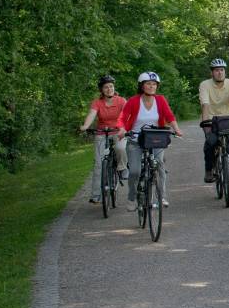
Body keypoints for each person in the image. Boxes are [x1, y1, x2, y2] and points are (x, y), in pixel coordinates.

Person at [118, 71, 184, 211]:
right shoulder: (134, 101)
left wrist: (176, 129)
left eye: (154, 84)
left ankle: (162, 196)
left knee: (159, 165)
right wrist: (122, 129)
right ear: (142, 86)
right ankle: (132, 197)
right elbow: (122, 117)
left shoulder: (160, 100)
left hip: (155, 139)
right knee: (135, 171)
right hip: (135, 140)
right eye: (148, 84)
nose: (151, 86)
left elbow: (169, 116)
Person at [78, 75, 128, 204]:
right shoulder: (97, 102)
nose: (109, 89)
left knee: (120, 148)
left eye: (111, 86)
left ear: (114, 87)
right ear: (101, 90)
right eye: (106, 87)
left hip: (118, 132)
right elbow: (92, 114)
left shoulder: (121, 101)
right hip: (102, 132)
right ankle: (96, 196)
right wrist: (85, 126)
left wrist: (125, 128)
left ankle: (122, 168)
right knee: (99, 164)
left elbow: (128, 115)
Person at [199, 58, 229, 184]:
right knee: (210, 143)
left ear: (225, 72)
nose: (220, 72)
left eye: (222, 70)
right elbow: (205, 105)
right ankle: (209, 170)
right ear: (212, 73)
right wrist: (205, 123)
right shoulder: (205, 85)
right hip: (212, 119)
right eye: (217, 70)